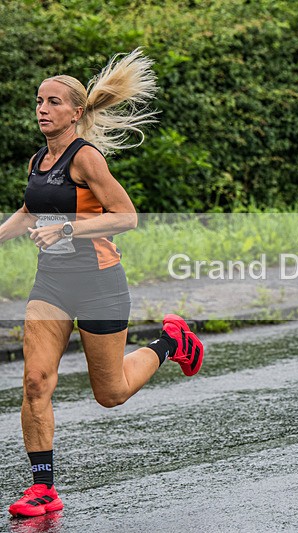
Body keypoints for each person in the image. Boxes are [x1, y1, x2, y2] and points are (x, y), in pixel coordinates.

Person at [0, 48, 204, 518]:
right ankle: (43, 488)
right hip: (50, 284)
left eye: (53, 102)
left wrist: (68, 228)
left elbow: (127, 216)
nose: (42, 110)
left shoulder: (86, 159)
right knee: (35, 382)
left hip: (99, 284)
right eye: (38, 101)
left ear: (76, 112)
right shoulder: (37, 161)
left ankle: (171, 341)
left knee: (109, 393)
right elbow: (31, 210)